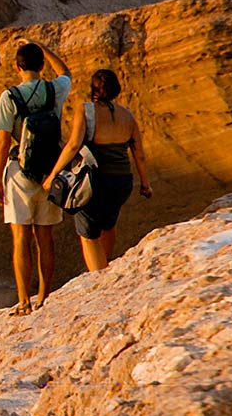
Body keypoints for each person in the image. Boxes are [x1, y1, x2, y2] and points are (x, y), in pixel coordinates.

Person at [42, 68, 153, 271]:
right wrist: (145, 184)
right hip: (122, 182)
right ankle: (106, 268)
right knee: (108, 225)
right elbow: (139, 154)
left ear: (93, 89)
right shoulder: (127, 115)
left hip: (94, 182)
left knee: (88, 235)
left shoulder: (86, 110)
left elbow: (74, 145)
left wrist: (53, 175)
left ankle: (99, 277)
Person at [0, 41, 71, 314]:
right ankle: (43, 298)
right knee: (45, 236)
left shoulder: (10, 97)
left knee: (20, 238)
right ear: (42, 65)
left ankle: (24, 301)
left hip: (20, 172)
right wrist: (46, 48)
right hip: (50, 170)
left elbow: (2, 142)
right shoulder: (54, 89)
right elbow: (66, 72)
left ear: (17, 66)